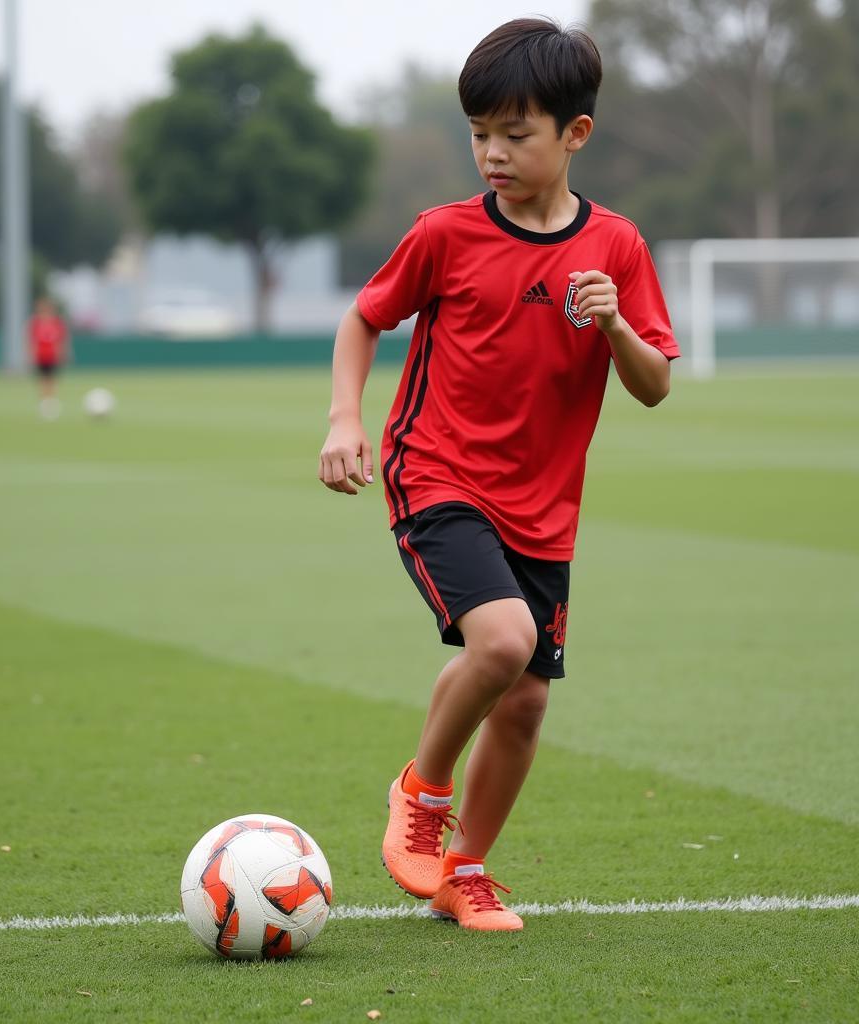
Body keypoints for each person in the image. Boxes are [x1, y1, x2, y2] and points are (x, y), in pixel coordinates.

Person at [318, 18, 679, 932]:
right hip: (435, 472)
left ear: (576, 134)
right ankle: (420, 795)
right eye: (480, 133)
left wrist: (615, 327)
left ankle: (462, 872)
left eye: (515, 134)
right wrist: (342, 420)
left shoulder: (619, 249)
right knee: (504, 641)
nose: (492, 153)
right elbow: (364, 319)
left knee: (522, 705)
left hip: (544, 509)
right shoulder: (444, 233)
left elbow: (654, 386)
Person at [28, 297, 69, 419]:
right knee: (42, 380)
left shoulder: (57, 322)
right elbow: (31, 340)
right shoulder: (35, 323)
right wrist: (31, 354)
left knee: (52, 379)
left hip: (52, 356)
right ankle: (44, 403)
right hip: (41, 356)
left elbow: (62, 340)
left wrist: (63, 353)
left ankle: (51, 402)